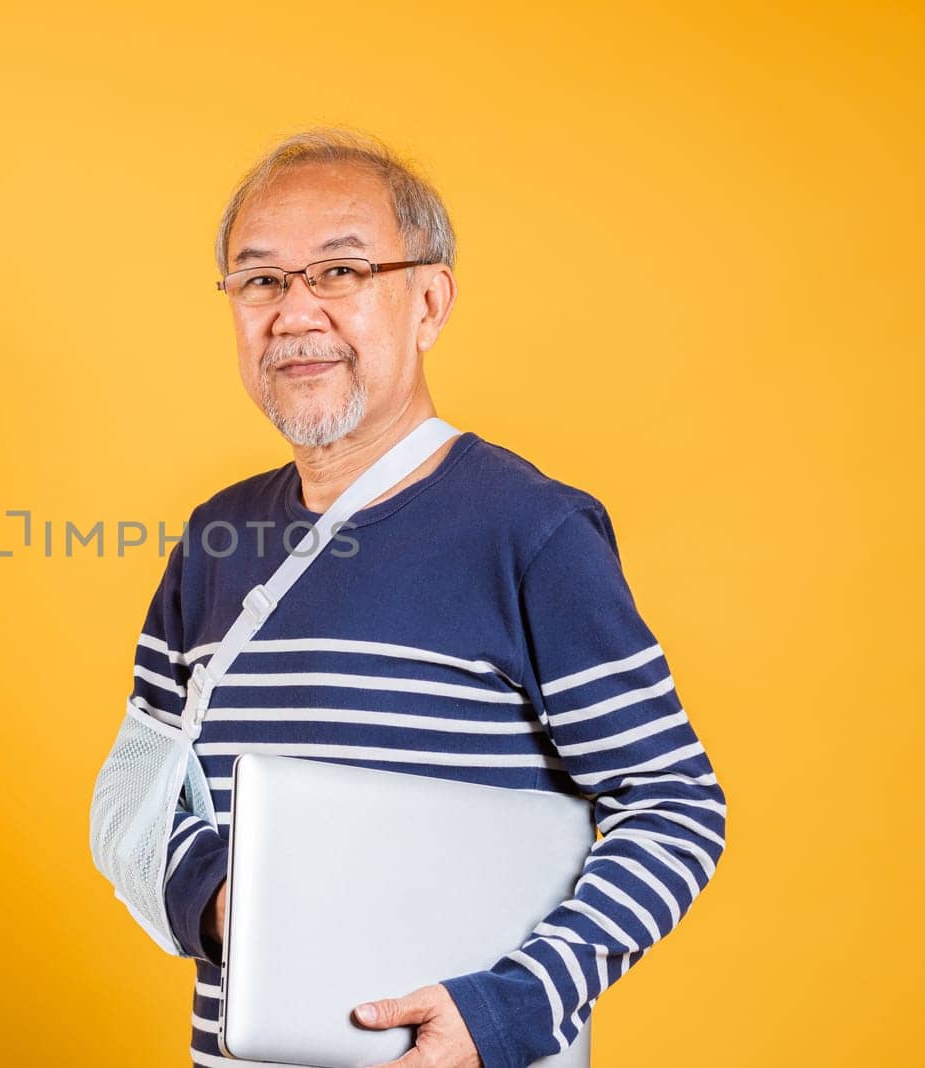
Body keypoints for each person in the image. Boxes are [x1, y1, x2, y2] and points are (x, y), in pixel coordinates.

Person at [112, 127, 727, 1068]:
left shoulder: (533, 531)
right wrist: (229, 902)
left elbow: (675, 806)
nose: (295, 313)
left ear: (428, 301)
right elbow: (134, 799)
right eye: (262, 281)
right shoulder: (212, 538)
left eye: (342, 272)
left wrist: (509, 1010)